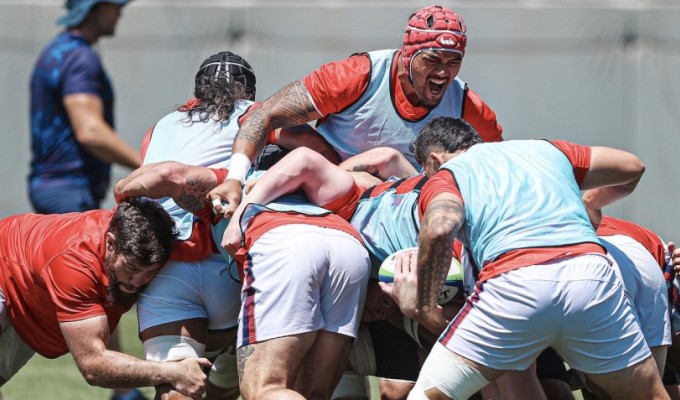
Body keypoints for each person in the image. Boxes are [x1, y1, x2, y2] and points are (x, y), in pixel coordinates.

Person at [395, 116, 666, 399]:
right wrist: (591, 202)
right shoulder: (546, 150)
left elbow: (438, 229)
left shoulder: (447, 175)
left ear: (435, 161)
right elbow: (633, 167)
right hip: (590, 278)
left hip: (515, 285)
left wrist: (424, 307)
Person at [213, 4, 503, 217]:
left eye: (454, 61)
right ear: (407, 54)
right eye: (432, 59)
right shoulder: (357, 76)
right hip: (322, 187)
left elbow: (499, 169)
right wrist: (235, 178)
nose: (443, 71)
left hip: (396, 209)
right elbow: (264, 115)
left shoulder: (468, 105)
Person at [115, 161, 371, 399]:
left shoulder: (233, 179)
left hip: (282, 243)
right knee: (314, 393)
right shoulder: (303, 175)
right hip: (348, 245)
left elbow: (167, 174)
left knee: (266, 389)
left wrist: (121, 196)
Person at [131, 50, 258, 400]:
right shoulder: (254, 116)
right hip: (232, 267)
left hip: (168, 268)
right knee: (237, 383)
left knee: (176, 390)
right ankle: (228, 359)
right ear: (248, 92)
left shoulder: (162, 125)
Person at [0, 199, 211, 399]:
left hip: (29, 298)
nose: (137, 282)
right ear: (110, 244)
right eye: (131, 268)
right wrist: (171, 371)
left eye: (149, 272)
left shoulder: (134, 236)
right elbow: (93, 365)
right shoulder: (75, 263)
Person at [29, 0, 141, 214]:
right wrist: (145, 164)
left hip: (51, 186)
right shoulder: (80, 57)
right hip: (69, 190)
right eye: (114, 5)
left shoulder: (56, 50)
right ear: (92, 9)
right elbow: (90, 132)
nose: (120, 12)